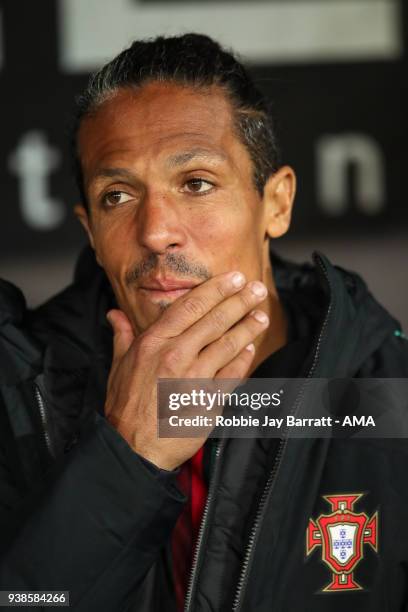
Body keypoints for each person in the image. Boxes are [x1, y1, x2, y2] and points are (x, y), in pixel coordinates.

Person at [0, 33, 407, 612]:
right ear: (90, 232)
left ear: (277, 204)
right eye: (117, 195)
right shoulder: (16, 389)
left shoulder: (389, 392)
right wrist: (126, 457)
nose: (155, 230)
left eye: (196, 183)